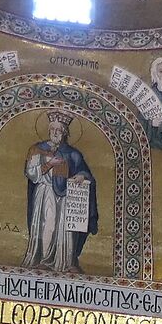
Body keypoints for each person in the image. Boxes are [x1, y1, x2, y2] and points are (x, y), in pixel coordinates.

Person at [23, 113, 97, 271]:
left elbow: (85, 172)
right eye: (53, 129)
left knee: (67, 228)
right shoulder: (37, 149)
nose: (55, 132)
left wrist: (81, 176)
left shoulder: (72, 153)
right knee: (47, 224)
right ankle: (43, 259)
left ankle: (66, 262)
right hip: (45, 193)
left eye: (59, 130)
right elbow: (30, 172)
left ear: (65, 133)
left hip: (66, 196)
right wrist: (49, 164)